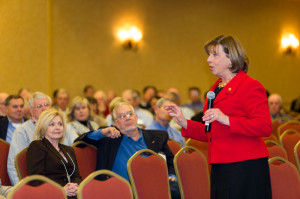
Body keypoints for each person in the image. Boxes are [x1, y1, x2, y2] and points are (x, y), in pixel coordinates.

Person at [165, 35, 272, 199]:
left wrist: (226, 119)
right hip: (220, 165)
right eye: (209, 54)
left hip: (245, 167)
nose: (209, 60)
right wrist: (183, 121)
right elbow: (212, 133)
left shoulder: (250, 86)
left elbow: (264, 126)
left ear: (231, 59)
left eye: (215, 55)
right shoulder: (215, 89)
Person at [75, 99, 180, 199]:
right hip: (120, 191)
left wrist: (171, 175)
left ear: (136, 117)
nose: (127, 118)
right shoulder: (109, 138)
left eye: (130, 114)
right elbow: (79, 141)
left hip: (153, 188)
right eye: (122, 116)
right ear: (116, 123)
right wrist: (102, 132)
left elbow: (171, 161)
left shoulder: (156, 137)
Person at [7, 92, 78, 185]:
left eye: (46, 105)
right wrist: (21, 190)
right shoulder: (22, 131)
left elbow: (77, 148)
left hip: (67, 181)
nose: (44, 108)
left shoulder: (65, 127)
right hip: (43, 186)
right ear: (31, 111)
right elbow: (14, 166)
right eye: (39, 106)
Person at [27, 108, 82, 198]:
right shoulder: (37, 146)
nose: (57, 127)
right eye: (52, 124)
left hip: (73, 195)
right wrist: (60, 190)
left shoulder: (69, 150)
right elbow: (36, 180)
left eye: (60, 124)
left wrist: (76, 187)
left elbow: (77, 176)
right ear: (43, 128)